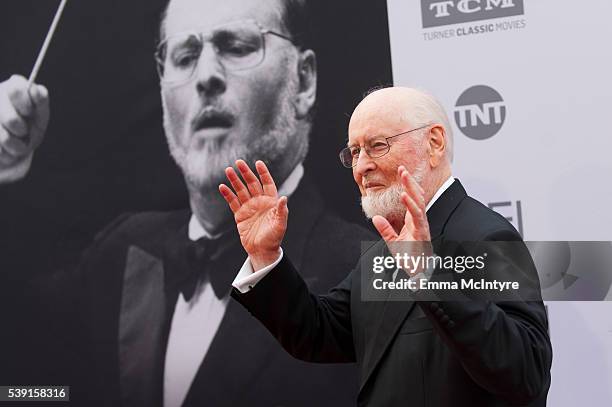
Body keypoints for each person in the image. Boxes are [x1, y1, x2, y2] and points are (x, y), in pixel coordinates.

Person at [0, 0, 375, 405]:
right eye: (185, 55)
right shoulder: (119, 255)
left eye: (236, 46)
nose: (205, 76)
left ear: (303, 82)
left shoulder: (371, 279)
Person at [220, 87, 553, 406]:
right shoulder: (384, 251)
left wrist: (429, 276)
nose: (362, 166)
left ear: (434, 143)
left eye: (377, 146)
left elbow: (525, 372)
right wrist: (264, 255)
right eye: (354, 152)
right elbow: (319, 332)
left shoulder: (485, 236)